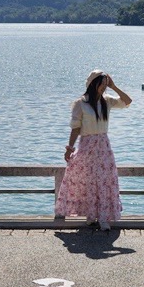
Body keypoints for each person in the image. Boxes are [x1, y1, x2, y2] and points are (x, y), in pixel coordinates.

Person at [55, 69, 132, 230]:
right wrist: (69, 148)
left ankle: (103, 218)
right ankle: (91, 216)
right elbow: (76, 128)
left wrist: (114, 86)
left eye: (105, 84)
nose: (104, 87)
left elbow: (128, 101)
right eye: (101, 84)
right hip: (87, 146)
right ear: (92, 84)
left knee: (104, 180)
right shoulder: (80, 104)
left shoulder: (107, 101)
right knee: (89, 181)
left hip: (103, 146)